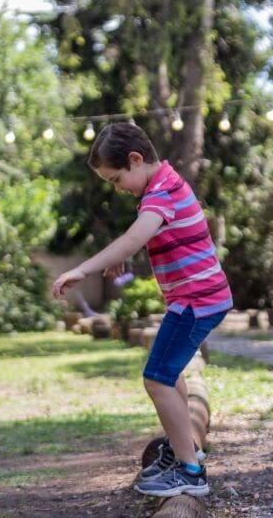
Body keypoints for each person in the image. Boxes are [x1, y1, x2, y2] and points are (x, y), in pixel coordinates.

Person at [52, 122, 232, 498]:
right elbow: (151, 233)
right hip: (197, 299)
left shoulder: (161, 192)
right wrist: (124, 255)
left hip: (196, 301)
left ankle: (190, 471)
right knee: (167, 372)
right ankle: (185, 448)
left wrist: (83, 269)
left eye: (117, 179)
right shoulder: (163, 185)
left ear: (135, 159)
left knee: (157, 379)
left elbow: (135, 236)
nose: (118, 188)